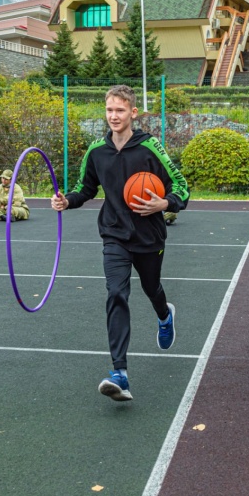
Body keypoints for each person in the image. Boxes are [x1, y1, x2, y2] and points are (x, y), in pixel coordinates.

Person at [50, 84, 189, 402]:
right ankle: (119, 373)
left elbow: (180, 185)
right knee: (116, 293)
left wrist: (164, 203)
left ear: (133, 112)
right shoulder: (96, 150)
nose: (114, 116)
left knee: (151, 288)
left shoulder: (150, 147)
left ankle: (164, 315)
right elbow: (84, 189)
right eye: (109, 110)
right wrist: (66, 201)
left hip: (149, 235)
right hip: (113, 235)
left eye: (120, 110)